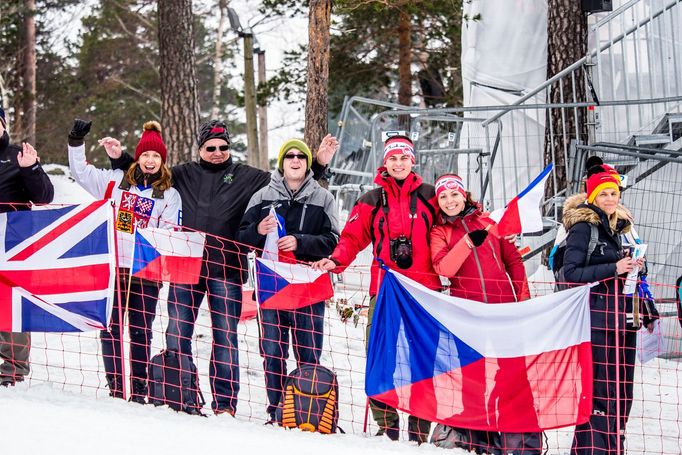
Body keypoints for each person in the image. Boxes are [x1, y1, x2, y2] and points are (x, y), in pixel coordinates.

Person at [109, 119, 338, 416]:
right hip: (186, 266)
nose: (218, 152)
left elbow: (289, 178)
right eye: (211, 148)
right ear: (200, 148)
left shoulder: (249, 177)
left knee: (225, 336)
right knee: (177, 333)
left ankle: (225, 404)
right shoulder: (182, 174)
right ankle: (181, 394)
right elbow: (152, 169)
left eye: (223, 147)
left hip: (227, 268)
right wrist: (120, 158)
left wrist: (318, 165)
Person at [312, 135, 438, 443]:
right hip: (384, 292)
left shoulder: (430, 196)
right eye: (393, 158)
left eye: (404, 158)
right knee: (380, 356)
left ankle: (420, 431)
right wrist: (335, 260)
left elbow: (454, 225)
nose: (398, 163)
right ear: (385, 162)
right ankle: (388, 425)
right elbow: (352, 239)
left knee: (424, 359)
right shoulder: (371, 199)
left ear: (413, 161)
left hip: (425, 294)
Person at [68, 119, 182, 403]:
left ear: (162, 160)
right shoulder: (115, 182)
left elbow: (171, 231)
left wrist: (149, 236)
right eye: (146, 154)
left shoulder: (169, 194)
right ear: (138, 157)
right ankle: (116, 386)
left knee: (141, 331)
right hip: (114, 267)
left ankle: (140, 388)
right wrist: (76, 141)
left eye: (156, 156)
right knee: (111, 329)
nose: (151, 160)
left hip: (146, 271)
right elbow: (80, 173)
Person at [429, 174, 539, 454]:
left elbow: (513, 261)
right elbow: (444, 269)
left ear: (464, 195)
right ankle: (478, 438)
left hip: (504, 312)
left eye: (454, 194)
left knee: (513, 373)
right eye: (443, 196)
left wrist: (522, 300)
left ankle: (520, 438)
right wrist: (466, 242)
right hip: (468, 316)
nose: (450, 201)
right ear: (438, 202)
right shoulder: (440, 232)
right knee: (473, 376)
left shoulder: (490, 222)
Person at [238, 138, 340, 423]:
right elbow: (242, 237)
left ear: (308, 164)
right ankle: (277, 407)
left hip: (308, 285)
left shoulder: (323, 198)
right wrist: (257, 230)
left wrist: (301, 242)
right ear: (281, 163)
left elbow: (333, 241)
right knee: (273, 350)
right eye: (290, 156)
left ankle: (307, 409)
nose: (295, 161)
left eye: (301, 157)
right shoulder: (261, 197)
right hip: (272, 284)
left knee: (308, 351)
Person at [562, 162, 650, 454]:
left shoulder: (621, 227)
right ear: (592, 197)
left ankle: (614, 445)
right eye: (604, 194)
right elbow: (570, 273)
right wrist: (614, 266)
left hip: (623, 316)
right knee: (601, 388)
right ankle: (592, 448)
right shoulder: (583, 228)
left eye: (614, 193)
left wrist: (634, 264)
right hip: (598, 319)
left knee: (622, 388)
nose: (610, 199)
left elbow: (626, 267)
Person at [0, 107, 55, 387]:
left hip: (13, 248)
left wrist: (30, 169)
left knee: (10, 307)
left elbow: (44, 197)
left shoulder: (17, 156)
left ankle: (12, 367)